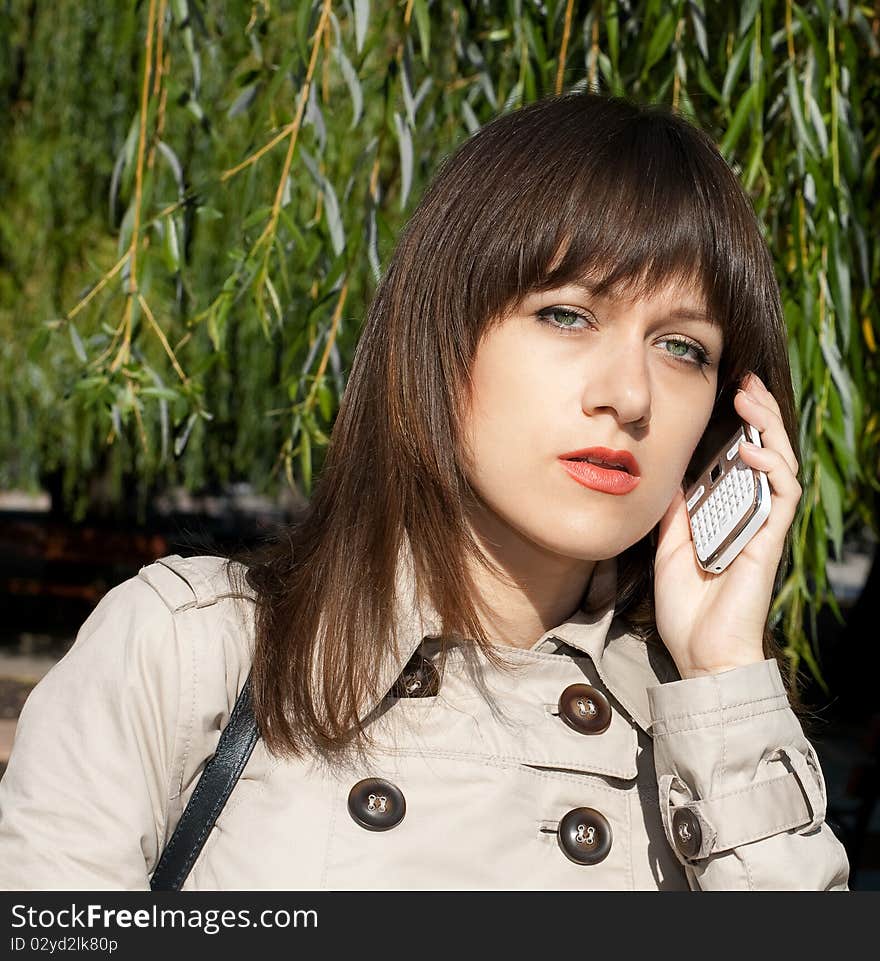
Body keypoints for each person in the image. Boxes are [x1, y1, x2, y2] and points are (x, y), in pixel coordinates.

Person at [0, 90, 850, 890]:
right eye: (566, 314)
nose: (629, 395)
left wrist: (722, 672)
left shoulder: (702, 738)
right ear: (440, 339)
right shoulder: (192, 655)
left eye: (682, 347)